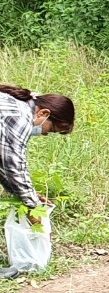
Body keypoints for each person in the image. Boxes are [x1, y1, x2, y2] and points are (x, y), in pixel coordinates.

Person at [0, 85, 75, 228]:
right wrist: (33, 206)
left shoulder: (16, 104)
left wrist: (30, 195)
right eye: (51, 130)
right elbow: (15, 166)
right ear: (43, 113)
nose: (45, 134)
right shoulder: (21, 118)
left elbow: (3, 161)